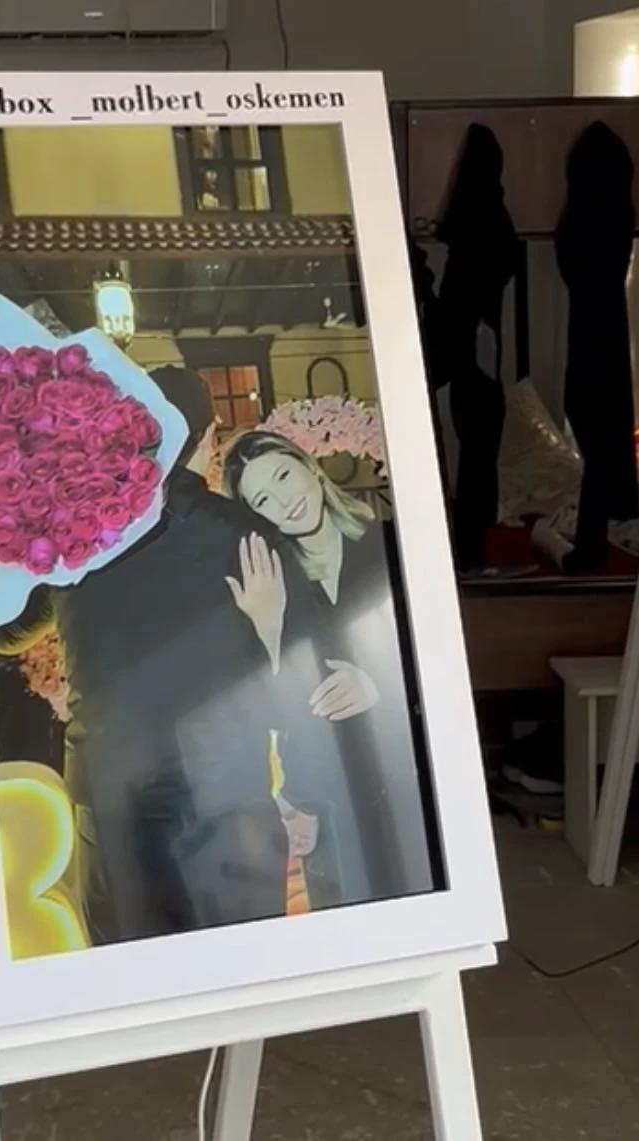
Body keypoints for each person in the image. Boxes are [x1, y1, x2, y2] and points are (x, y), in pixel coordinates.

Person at [52, 367, 374, 944]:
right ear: (210, 434)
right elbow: (310, 680)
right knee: (238, 966)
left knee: (129, 971)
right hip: (226, 798)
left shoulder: (75, 529)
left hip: (109, 796)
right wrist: (305, 796)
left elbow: (5, 631)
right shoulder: (248, 534)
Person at [224, 430, 436, 903]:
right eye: (263, 500)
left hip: (413, 777)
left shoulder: (394, 545)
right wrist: (268, 629)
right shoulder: (269, 583)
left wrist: (380, 684)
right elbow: (268, 715)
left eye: (283, 475)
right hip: (325, 796)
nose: (285, 501)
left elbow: (444, 662)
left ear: (311, 467)